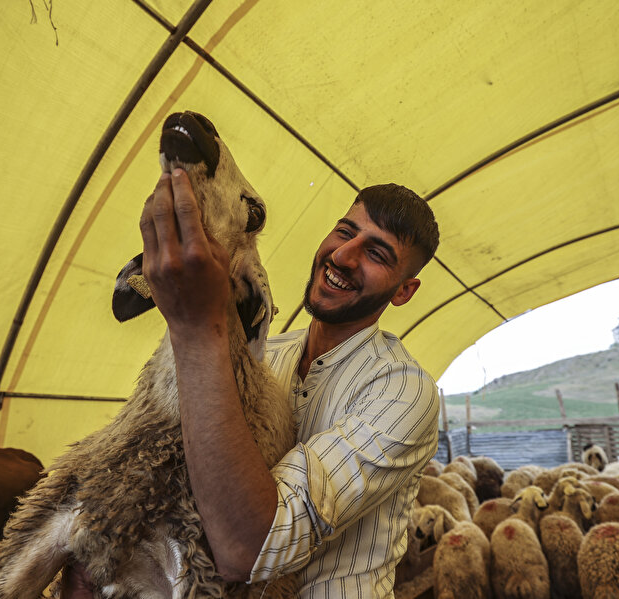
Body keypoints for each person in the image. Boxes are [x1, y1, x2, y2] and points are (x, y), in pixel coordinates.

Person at [66, 169, 440, 598]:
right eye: (344, 232)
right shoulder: (264, 355)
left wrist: (197, 328)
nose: (343, 257)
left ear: (404, 291)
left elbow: (249, 550)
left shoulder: (403, 391)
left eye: (377, 254)